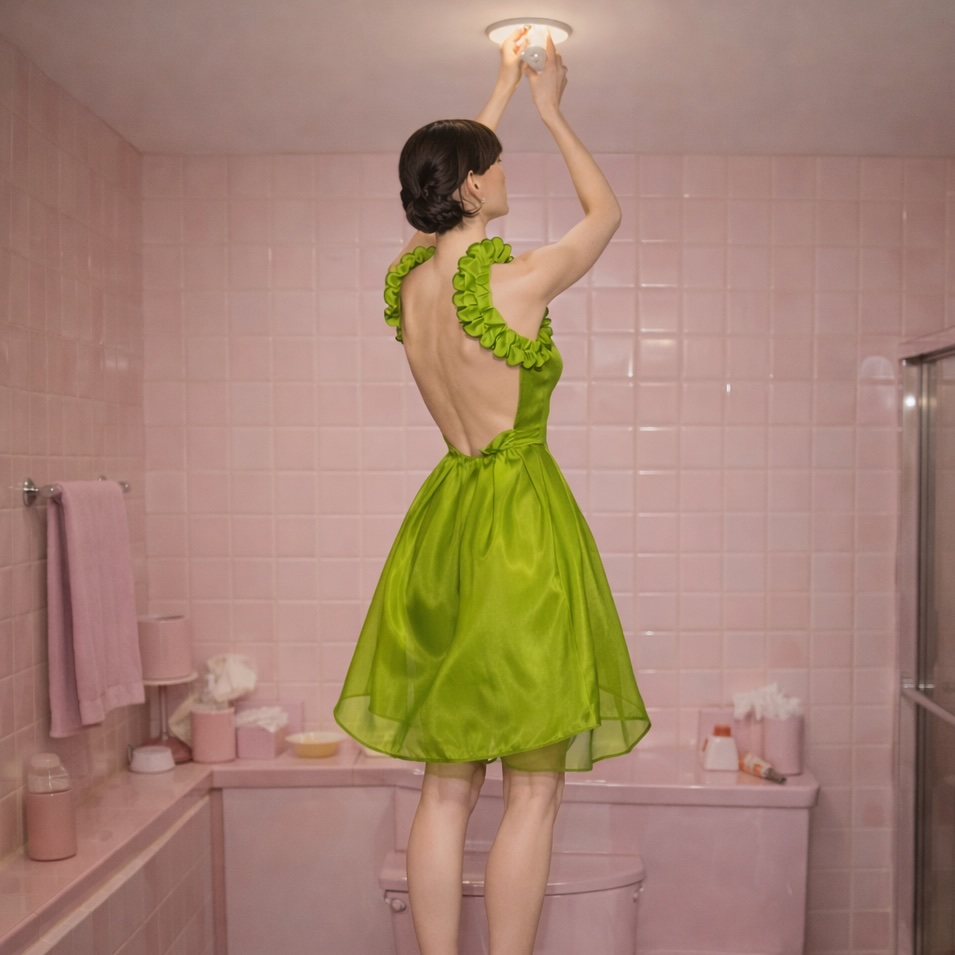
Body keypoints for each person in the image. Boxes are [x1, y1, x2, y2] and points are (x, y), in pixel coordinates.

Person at [334, 26, 649, 955]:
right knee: (536, 786)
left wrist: (499, 85)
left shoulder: (409, 286)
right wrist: (550, 108)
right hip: (517, 530)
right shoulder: (515, 283)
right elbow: (605, 216)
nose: (506, 171)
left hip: (443, 526)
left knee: (444, 786)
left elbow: (440, 194)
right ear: (473, 185)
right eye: (496, 165)